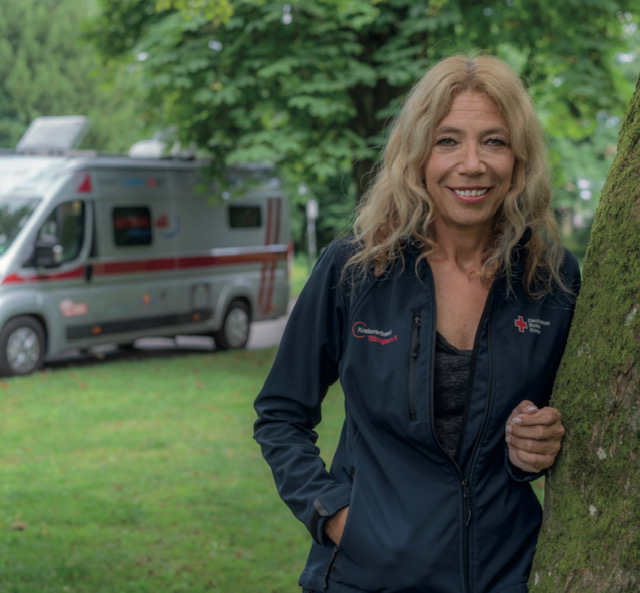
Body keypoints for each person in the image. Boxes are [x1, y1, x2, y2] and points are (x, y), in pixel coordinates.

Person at [253, 54, 580, 593]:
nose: (471, 164)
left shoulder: (551, 280)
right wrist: (333, 513)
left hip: (501, 575)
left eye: (494, 142)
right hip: (367, 576)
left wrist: (536, 446)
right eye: (447, 140)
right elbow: (280, 414)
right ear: (416, 154)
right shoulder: (355, 270)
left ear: (519, 159)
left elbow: (559, 426)